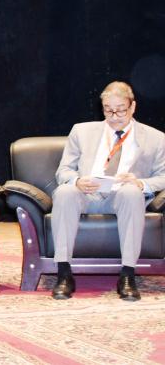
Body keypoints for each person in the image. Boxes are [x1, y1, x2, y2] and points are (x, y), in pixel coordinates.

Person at [49, 81, 165, 301]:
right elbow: (63, 171)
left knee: (131, 193)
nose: (114, 116)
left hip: (123, 195)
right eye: (108, 110)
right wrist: (77, 180)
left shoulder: (156, 138)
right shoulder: (81, 131)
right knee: (65, 192)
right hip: (87, 193)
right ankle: (64, 273)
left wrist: (141, 183)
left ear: (132, 107)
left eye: (120, 110)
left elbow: (163, 176)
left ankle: (128, 275)